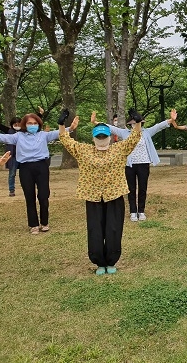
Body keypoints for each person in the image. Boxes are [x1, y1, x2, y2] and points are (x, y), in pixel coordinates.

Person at [59, 112, 143, 275]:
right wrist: (62, 125)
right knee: (95, 229)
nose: (102, 139)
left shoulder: (120, 149)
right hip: (93, 196)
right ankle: (99, 262)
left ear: (110, 138)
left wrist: (138, 122)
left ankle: (111, 260)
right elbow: (66, 140)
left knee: (113, 228)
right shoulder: (83, 150)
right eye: (99, 137)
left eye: (105, 136)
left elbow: (134, 137)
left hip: (114, 194)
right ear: (93, 138)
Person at [0, 109, 75, 234]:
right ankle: (33, 225)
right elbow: (3, 137)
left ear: (39, 124)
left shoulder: (43, 135)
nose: (32, 125)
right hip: (25, 168)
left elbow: (59, 133)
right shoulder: (18, 136)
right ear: (24, 124)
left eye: (35, 123)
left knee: (43, 195)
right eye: (30, 123)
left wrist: (70, 128)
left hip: (41, 167)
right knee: (29, 196)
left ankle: (44, 223)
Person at [92, 108, 177, 222]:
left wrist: (171, 120)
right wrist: (96, 122)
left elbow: (159, 126)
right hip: (129, 165)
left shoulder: (147, 132)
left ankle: (141, 211)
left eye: (136, 122)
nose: (134, 125)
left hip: (144, 164)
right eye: (131, 123)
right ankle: (133, 211)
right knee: (131, 189)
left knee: (143, 188)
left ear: (141, 123)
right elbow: (111, 128)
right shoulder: (124, 133)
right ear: (129, 124)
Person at [0, 110, 21, 196]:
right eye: (15, 125)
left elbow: (33, 124)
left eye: (19, 124)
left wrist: (40, 114)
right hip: (13, 157)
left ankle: (29, 188)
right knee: (12, 174)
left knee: (27, 174)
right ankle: (12, 190)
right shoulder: (8, 131)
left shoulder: (24, 132)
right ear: (12, 125)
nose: (17, 126)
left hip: (23, 156)